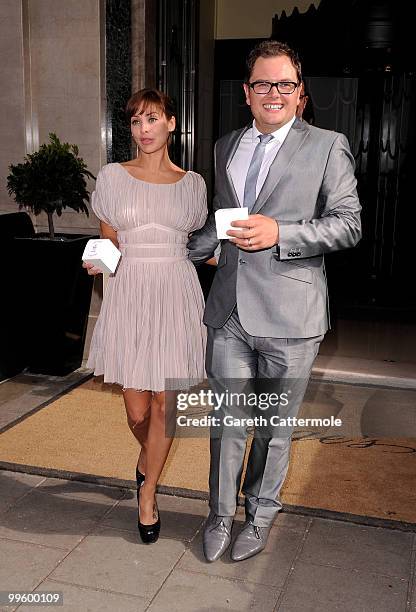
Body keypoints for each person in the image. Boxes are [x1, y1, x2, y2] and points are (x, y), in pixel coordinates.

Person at [187, 40, 361, 562]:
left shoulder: (328, 145)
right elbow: (218, 226)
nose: (274, 93)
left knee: (274, 430)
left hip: (292, 316)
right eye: (263, 83)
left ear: (301, 95)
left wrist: (280, 231)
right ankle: (219, 515)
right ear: (247, 92)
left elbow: (348, 224)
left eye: (285, 84)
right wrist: (168, 246)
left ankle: (260, 515)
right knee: (228, 424)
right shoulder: (224, 147)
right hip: (230, 312)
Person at [83, 88, 207, 544]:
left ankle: (147, 493)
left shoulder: (193, 184)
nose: (143, 130)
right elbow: (110, 243)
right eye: (135, 122)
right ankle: (148, 460)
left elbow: (196, 245)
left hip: (176, 293)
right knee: (137, 410)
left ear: (172, 123)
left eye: (152, 119)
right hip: (131, 293)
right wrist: (98, 260)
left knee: (164, 405)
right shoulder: (113, 177)